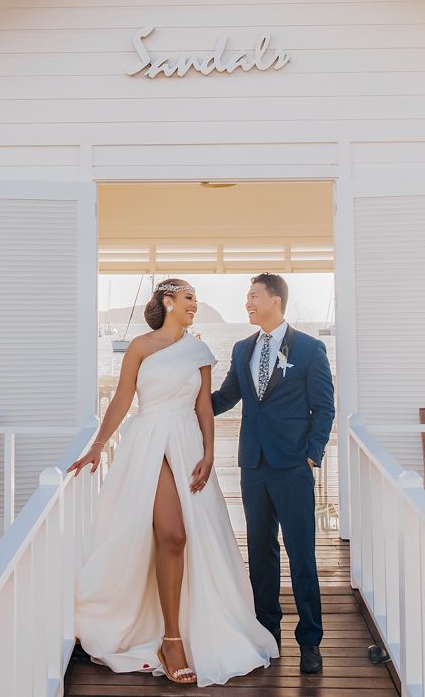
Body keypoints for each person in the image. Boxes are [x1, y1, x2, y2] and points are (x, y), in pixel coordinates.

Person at [68, 278, 277, 686]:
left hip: (186, 445)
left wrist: (210, 453)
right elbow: (123, 398)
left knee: (186, 538)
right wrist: (98, 445)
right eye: (188, 298)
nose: (194, 305)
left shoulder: (199, 350)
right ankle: (171, 639)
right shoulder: (141, 347)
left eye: (196, 299)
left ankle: (178, 633)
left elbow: (203, 406)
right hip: (148, 442)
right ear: (168, 302)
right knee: (173, 534)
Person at [210, 273, 335, 676]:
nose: (247, 302)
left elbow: (325, 409)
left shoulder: (310, 349)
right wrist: (186, 398)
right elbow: (227, 397)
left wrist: (312, 457)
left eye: (253, 296)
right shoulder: (242, 348)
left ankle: (311, 641)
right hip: (254, 465)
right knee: (261, 556)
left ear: (275, 301)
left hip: (293, 467)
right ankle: (268, 635)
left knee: (302, 556)